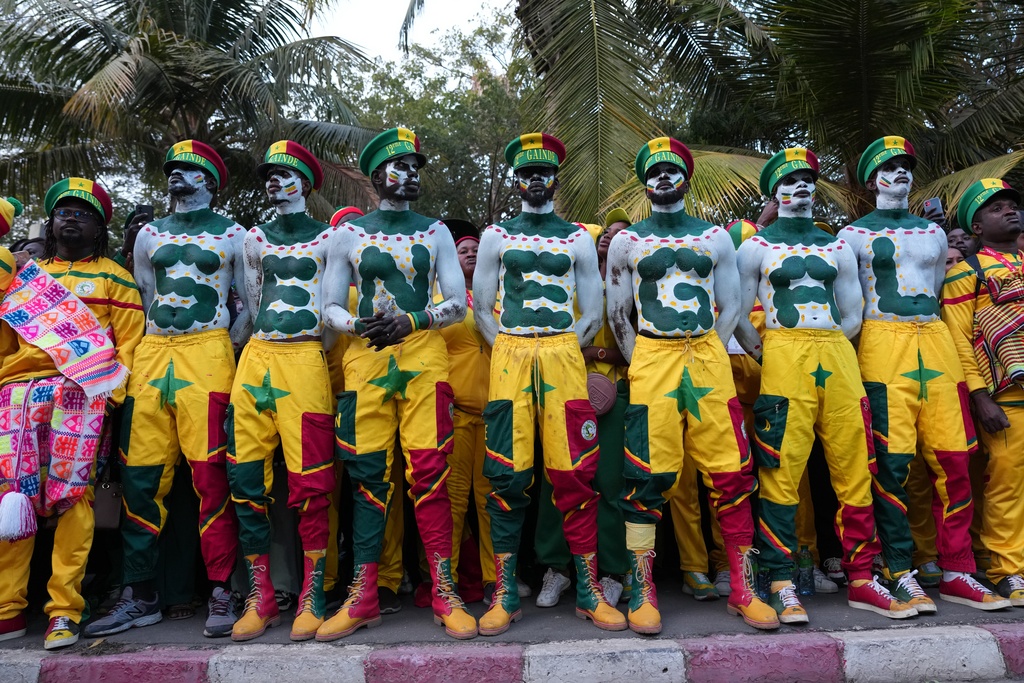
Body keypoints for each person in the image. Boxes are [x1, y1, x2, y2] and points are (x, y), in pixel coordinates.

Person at [604, 137, 777, 634]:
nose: (663, 177)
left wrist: (708, 351)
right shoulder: (626, 241)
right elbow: (617, 314)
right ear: (645, 183)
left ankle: (744, 587)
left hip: (706, 355)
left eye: (672, 169)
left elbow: (732, 305)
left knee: (731, 472)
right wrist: (643, 360)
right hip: (652, 356)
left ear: (686, 178)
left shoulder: (716, 237)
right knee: (646, 474)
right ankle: (643, 589)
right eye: (654, 171)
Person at [736, 148, 916, 623]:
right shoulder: (755, 246)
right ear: (775, 191)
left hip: (836, 353)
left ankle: (862, 576)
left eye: (807, 179)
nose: (801, 186)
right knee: (780, 469)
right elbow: (737, 315)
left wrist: (829, 343)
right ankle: (780, 579)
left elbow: (854, 312)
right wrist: (769, 353)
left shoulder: (835, 245)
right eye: (789, 180)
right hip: (783, 351)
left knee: (856, 465)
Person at [86, 141, 252, 640]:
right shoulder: (149, 234)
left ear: (210, 181)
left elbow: (250, 302)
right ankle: (140, 593)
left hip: (209, 353)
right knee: (141, 476)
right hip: (154, 354)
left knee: (211, 474)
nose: (178, 173)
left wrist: (225, 343)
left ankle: (221, 588)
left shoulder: (235, 234)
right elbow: (145, 295)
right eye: (173, 168)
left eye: (190, 168)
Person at [839, 137, 1007, 611]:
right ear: (872, 181)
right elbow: (851, 303)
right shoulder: (850, 235)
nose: (900, 173)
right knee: (891, 466)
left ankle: (957, 571)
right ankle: (899, 569)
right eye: (889, 167)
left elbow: (933, 290)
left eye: (905, 166)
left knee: (954, 462)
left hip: (934, 340)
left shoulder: (933, 233)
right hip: (881, 342)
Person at [320, 127, 475, 641]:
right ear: (376, 175)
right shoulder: (348, 234)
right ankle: (363, 595)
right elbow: (329, 305)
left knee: (430, 471)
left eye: (414, 167)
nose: (409, 174)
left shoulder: (435, 231)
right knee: (367, 476)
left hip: (424, 356)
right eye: (399, 166)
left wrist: (414, 321)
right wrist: (355, 325)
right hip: (366, 359)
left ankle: (444, 590)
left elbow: (456, 303)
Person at [473, 133, 625, 636]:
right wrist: (512, 345)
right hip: (511, 352)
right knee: (506, 474)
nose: (535, 179)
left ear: (555, 178)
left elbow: (593, 310)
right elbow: (482, 308)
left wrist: (559, 347)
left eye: (543, 172)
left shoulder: (577, 237)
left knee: (575, 473)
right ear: (516, 179)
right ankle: (504, 593)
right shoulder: (496, 235)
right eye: (526, 172)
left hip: (563, 352)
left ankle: (588, 590)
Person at [0, 181, 144, 648]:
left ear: (100, 227)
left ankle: (64, 610)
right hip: (18, 396)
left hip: (82, 395)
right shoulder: (26, 276)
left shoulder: (115, 277)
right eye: (64, 211)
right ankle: (7, 610)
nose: (71, 219)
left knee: (74, 500)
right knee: (13, 500)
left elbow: (130, 346)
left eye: (83, 214)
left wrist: (111, 397)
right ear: (51, 221)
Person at [226, 141, 341, 642]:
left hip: (306, 358)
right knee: (246, 477)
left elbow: (331, 311)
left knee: (312, 480)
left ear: (305, 184)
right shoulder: (254, 238)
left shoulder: (331, 237)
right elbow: (253, 305)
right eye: (269, 174)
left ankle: (313, 594)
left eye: (285, 173)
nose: (274, 180)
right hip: (257, 359)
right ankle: (262, 597)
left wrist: (311, 350)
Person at [534, 210, 631, 609]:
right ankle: (556, 569)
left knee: (609, 482)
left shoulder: (629, 285)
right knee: (558, 480)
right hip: (563, 388)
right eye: (603, 232)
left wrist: (597, 353)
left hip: (615, 393)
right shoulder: (563, 283)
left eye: (619, 234)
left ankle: (612, 572)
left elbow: (640, 345)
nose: (608, 237)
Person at [942, 178, 1024, 607]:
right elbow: (959, 340)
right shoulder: (965, 273)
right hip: (1004, 395)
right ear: (976, 227)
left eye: (1012, 205)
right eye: (997, 208)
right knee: (1005, 483)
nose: (1009, 210)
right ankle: (1007, 570)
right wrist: (980, 397)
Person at [437, 218, 499, 603]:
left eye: (477, 249)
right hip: (456, 415)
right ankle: (448, 581)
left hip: (494, 415)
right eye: (463, 250)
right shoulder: (441, 300)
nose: (472, 253)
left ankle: (496, 580)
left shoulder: (499, 296)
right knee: (454, 502)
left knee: (491, 501)